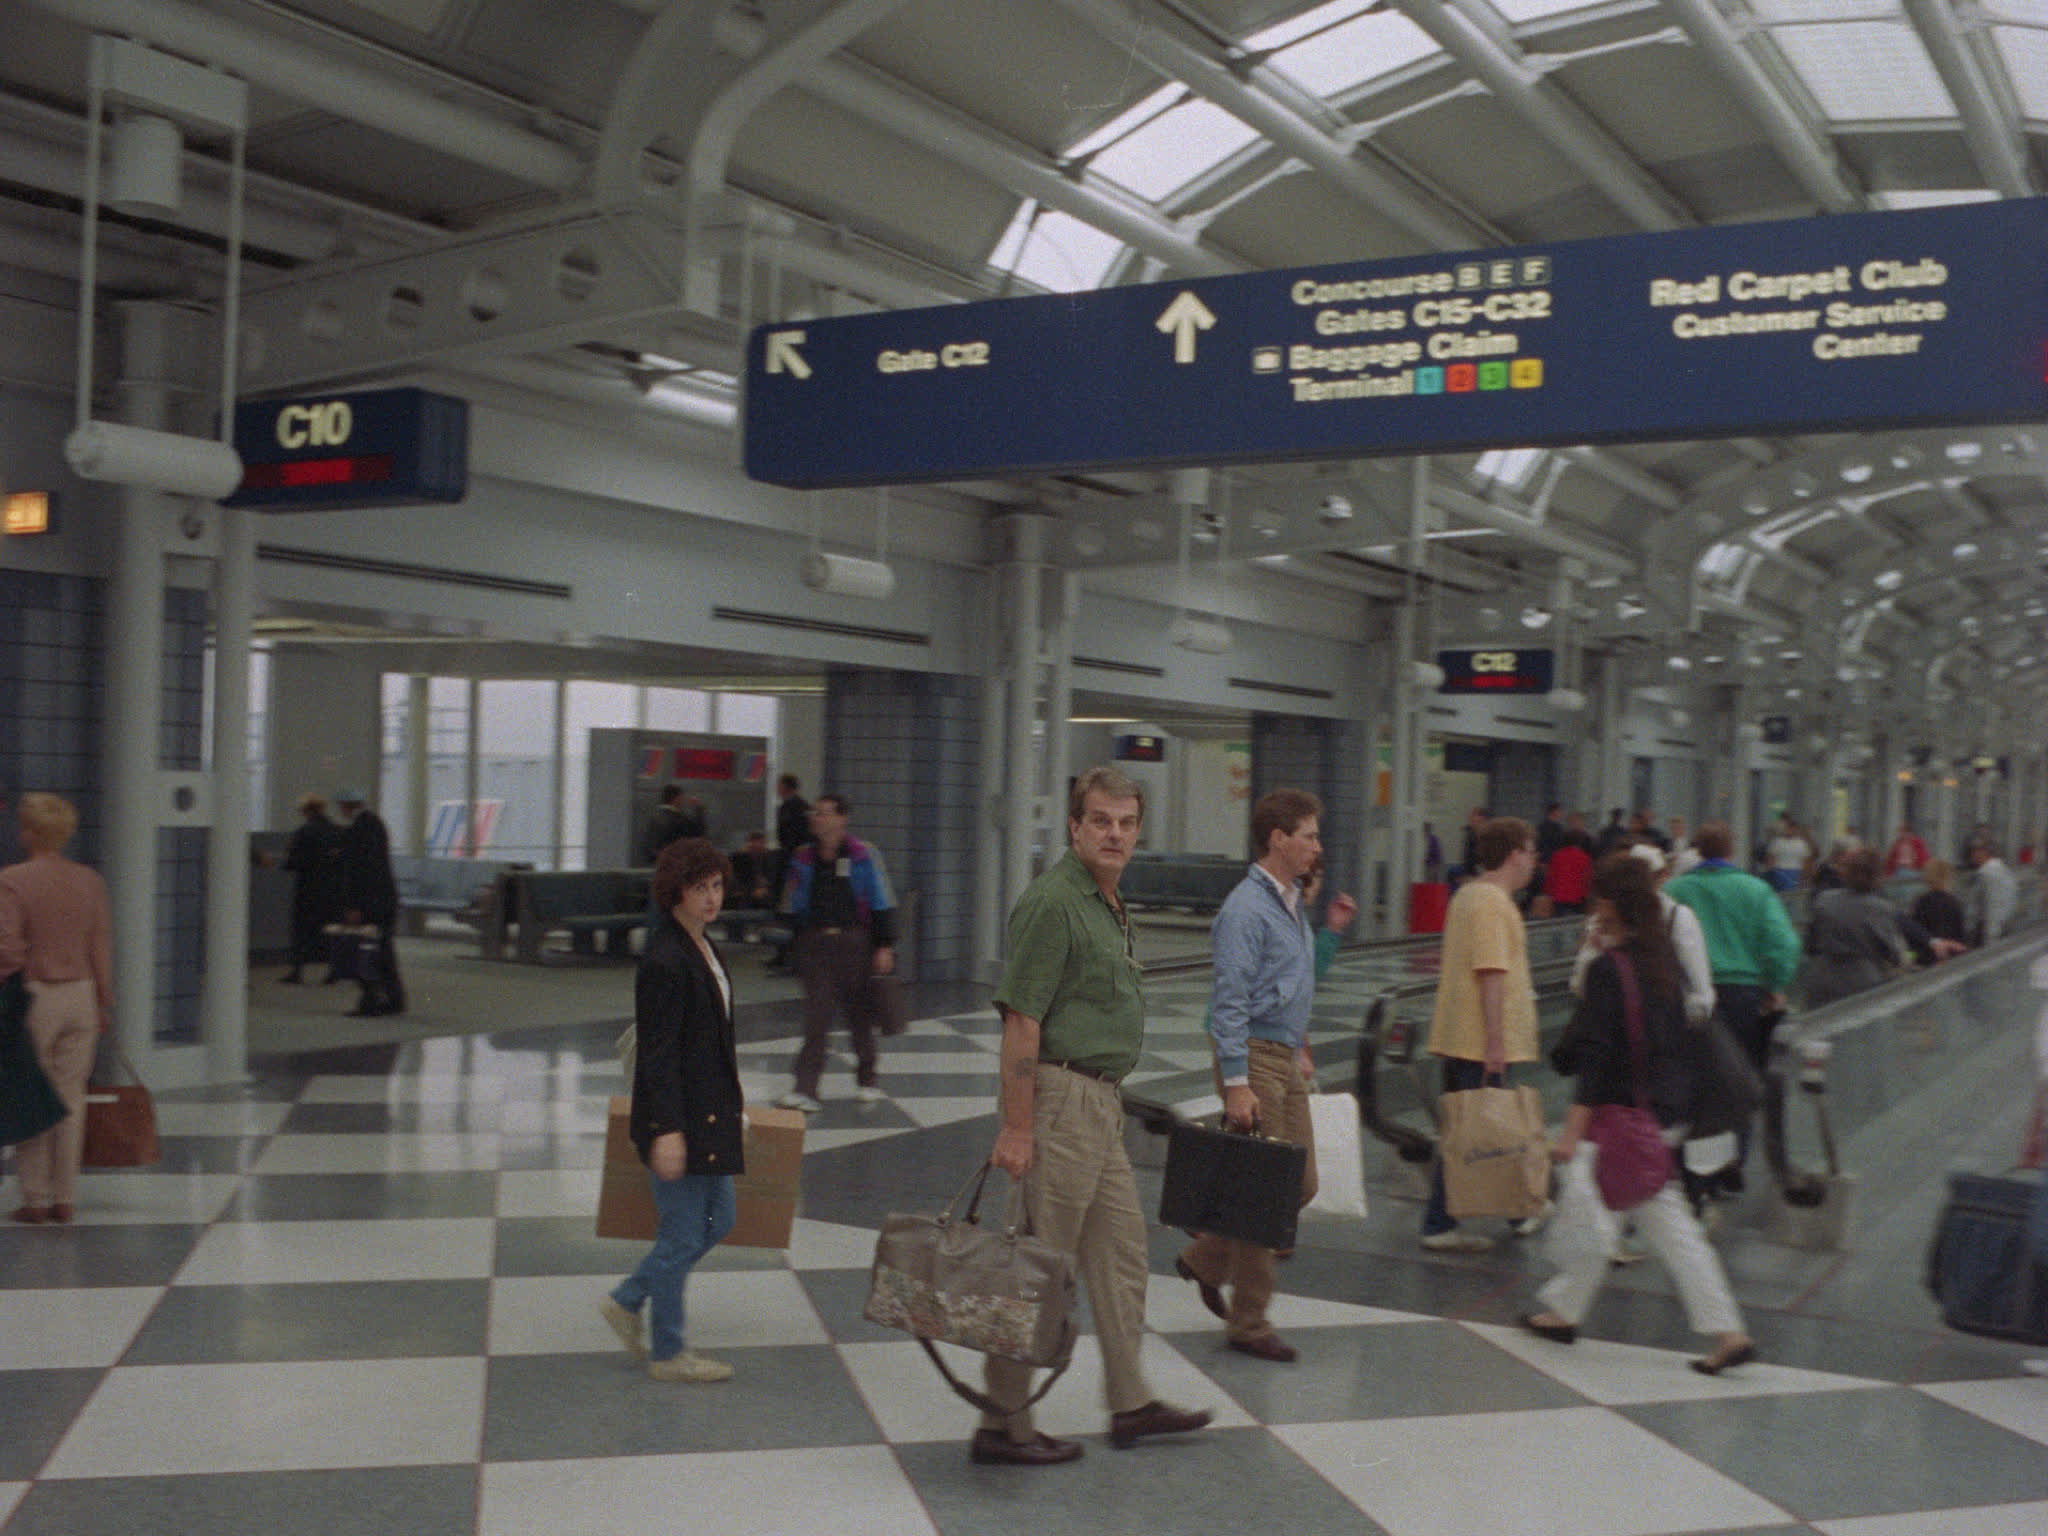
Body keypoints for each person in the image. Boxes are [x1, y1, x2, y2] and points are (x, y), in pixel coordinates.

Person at [978, 765, 1212, 1466]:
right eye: (1101, 821)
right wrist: (1017, 1126)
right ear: (1075, 827)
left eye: (1127, 823)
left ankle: (1130, 1401)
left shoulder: (1106, 901)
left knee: (1121, 1257)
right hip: (1059, 1102)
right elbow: (1022, 1023)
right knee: (1039, 1266)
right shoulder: (1054, 904)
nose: (1115, 834)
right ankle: (1002, 1424)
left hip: (1100, 1104)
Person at [1520, 854, 1757, 1376]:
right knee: (1613, 1209)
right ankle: (1564, 1310)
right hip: (1662, 1108)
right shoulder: (1662, 960)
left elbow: (1596, 1056)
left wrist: (1573, 1129)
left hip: (1621, 1116)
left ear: (1610, 903)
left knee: (1652, 1218)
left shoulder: (1611, 968)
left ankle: (1728, 1330)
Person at [1178, 789, 1356, 1364]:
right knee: (1266, 1191)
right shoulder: (1245, 910)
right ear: (1278, 839)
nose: (1318, 846)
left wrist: (1300, 1043)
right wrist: (1236, 1082)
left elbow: (1295, 980)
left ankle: (1206, 1258)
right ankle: (1249, 1322)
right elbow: (1229, 1002)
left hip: (1283, 1054)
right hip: (1253, 1055)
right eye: (1309, 835)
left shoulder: (1288, 903)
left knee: (1300, 1183)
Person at [600, 838, 741, 1383]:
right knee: (683, 1233)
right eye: (699, 887)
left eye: (717, 886)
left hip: (709, 1113)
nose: (711, 898)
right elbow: (658, 1057)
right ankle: (668, 1353)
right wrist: (667, 1132)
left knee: (719, 1218)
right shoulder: (665, 958)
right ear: (675, 892)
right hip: (678, 1120)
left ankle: (628, 1298)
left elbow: (713, 1042)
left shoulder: (704, 946)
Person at [1420, 816, 1542, 1253]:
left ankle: (1519, 1210)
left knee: (1476, 1127)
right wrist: (1495, 1041)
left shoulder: (1469, 895)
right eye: (1531, 852)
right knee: (1474, 1130)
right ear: (1515, 855)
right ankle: (1440, 1223)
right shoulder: (1491, 901)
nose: (1534, 862)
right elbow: (1491, 970)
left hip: (1463, 1034)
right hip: (1479, 1039)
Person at [1665, 821, 1801, 1196]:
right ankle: (1730, 1163)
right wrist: (1774, 984)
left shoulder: (1675, 890)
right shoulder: (1756, 890)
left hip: (1688, 995)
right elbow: (1784, 946)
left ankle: (1691, 1167)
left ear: (1698, 850)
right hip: (1743, 995)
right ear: (1731, 850)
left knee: (1693, 1080)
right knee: (1738, 1080)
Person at [0, 793, 114, 1225]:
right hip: (82, 993)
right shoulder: (89, 880)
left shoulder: (13, 880)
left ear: (29, 832)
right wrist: (103, 1000)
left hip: (35, 995)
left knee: (30, 1095)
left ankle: (36, 1199)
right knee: (71, 1097)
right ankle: (65, 1197)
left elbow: (8, 947)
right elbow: (99, 943)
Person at [774, 794, 897, 1112]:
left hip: (855, 942)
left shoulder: (864, 854)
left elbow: (881, 899)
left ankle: (867, 1079)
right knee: (817, 1016)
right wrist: (796, 940)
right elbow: (790, 902)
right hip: (815, 944)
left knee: (859, 1015)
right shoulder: (802, 856)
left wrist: (884, 945)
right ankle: (805, 1088)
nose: (818, 818)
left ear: (843, 818)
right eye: (816, 813)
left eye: (825, 813)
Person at [1801, 848, 1911, 1007]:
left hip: (1822, 979)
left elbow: (1810, 942)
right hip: (1863, 983)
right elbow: (1894, 953)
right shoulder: (1880, 909)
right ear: (1877, 876)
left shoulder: (1824, 900)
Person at [335, 790, 405, 1017]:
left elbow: (357, 871)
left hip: (368, 901)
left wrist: (353, 905)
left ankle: (370, 1000)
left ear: (346, 806)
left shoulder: (357, 829)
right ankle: (394, 998)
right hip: (385, 898)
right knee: (383, 951)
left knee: (366, 951)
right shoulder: (376, 823)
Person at [281, 792, 344, 984]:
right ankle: (334, 971)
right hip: (332, 889)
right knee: (330, 930)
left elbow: (293, 862)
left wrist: (287, 855)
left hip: (308, 889)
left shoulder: (303, 832)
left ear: (306, 811)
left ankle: (297, 971)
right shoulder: (337, 831)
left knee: (302, 931)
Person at [1964, 838, 2019, 946]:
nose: (1971, 856)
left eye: (1973, 851)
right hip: (2004, 928)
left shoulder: (1987, 875)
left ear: (1982, 852)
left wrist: (1990, 938)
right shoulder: (2005, 871)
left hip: (1988, 933)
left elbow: (1993, 906)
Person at [1910, 858, 1968, 947]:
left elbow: (1915, 933)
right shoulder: (1954, 903)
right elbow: (1961, 933)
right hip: (1954, 950)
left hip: (1927, 951)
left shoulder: (1920, 902)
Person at [636, 784, 693, 866]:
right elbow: (695, 834)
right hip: (673, 864)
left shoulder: (654, 817)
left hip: (657, 863)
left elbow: (648, 846)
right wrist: (699, 810)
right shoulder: (678, 819)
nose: (684, 801)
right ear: (677, 798)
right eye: (682, 798)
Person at [727, 831, 777, 910]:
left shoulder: (770, 859)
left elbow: (771, 880)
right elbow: (735, 882)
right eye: (753, 846)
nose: (756, 848)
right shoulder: (737, 859)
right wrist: (751, 892)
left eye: (760, 845)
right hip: (743, 897)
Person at [1764, 815, 1813, 891]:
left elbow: (1806, 861)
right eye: (1788, 828)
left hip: (1796, 872)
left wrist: (1805, 876)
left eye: (1792, 828)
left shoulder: (1802, 844)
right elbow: (1771, 859)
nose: (1790, 830)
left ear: (1796, 829)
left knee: (1792, 892)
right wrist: (1770, 873)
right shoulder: (1777, 842)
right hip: (1779, 871)